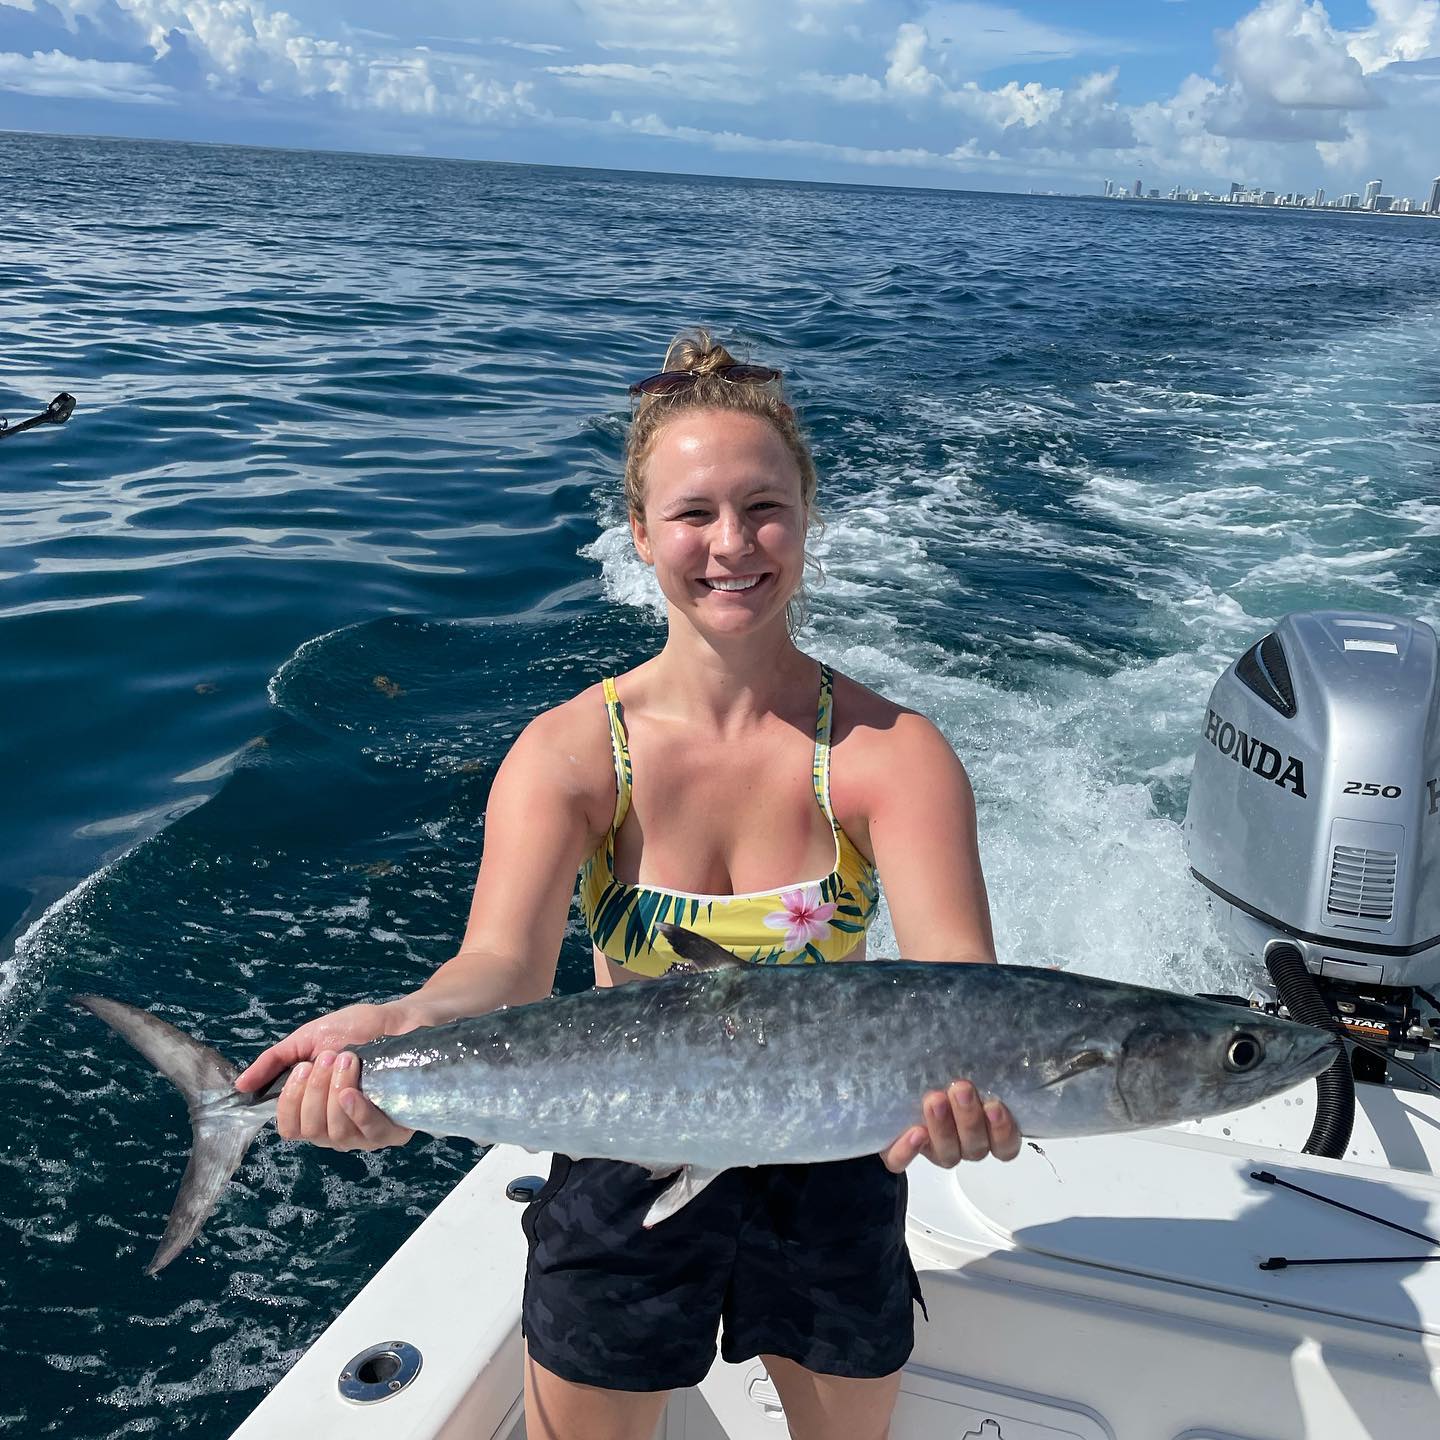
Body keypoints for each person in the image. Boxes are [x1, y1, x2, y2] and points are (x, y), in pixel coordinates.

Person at [235, 329, 1020, 1440]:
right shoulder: (569, 753)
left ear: (808, 521)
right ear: (642, 534)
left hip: (835, 1163)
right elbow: (496, 967)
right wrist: (400, 1028)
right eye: (694, 513)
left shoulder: (893, 755)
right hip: (622, 1151)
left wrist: (980, 1102)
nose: (732, 544)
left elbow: (965, 1000)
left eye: (765, 508)